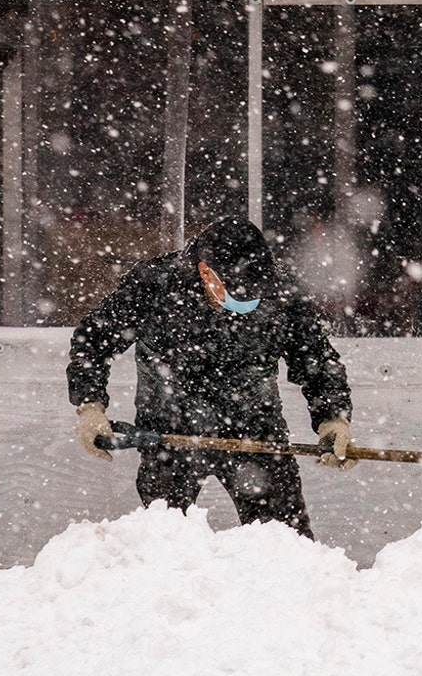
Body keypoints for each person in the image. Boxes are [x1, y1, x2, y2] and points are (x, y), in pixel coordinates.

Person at [67, 216, 355, 539]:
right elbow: (92, 339)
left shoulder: (281, 292)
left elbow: (315, 357)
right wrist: (89, 406)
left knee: (286, 546)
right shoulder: (154, 285)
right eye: (238, 294)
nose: (246, 304)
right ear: (206, 272)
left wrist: (333, 418)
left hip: (255, 435)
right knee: (161, 550)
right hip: (169, 437)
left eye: (254, 296)